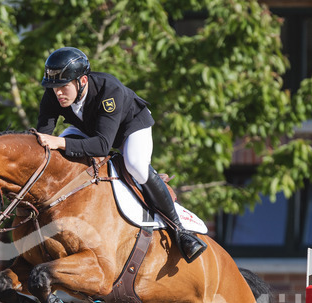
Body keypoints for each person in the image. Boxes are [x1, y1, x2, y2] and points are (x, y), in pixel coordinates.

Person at [34, 46, 206, 263]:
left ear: (83, 81)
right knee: (56, 153)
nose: (57, 92)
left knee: (135, 165)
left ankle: (180, 231)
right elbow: (42, 139)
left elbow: (103, 145)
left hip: (130, 128)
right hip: (89, 130)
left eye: (63, 86)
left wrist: (59, 141)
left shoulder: (109, 90)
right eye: (53, 86)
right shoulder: (53, 95)